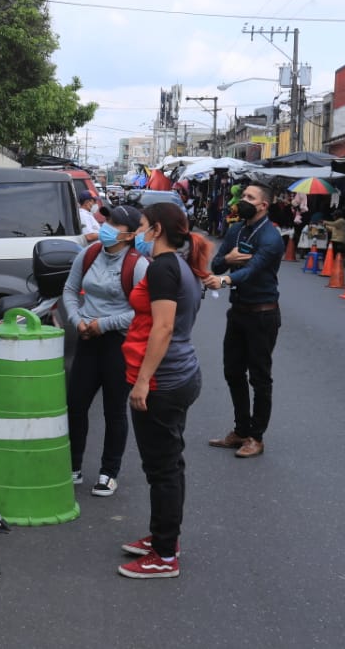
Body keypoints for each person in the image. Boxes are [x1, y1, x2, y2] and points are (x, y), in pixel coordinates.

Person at [117, 202, 212, 580]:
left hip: (163, 381)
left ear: (155, 230)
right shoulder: (182, 267)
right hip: (178, 374)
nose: (136, 232)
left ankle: (164, 554)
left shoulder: (163, 268)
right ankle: (162, 537)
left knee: (162, 468)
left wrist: (142, 381)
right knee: (168, 463)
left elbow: (164, 328)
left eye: (140, 226)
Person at [61, 205, 149, 498]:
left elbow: (142, 313)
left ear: (131, 234)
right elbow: (70, 291)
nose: (106, 226)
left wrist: (104, 324)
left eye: (114, 223)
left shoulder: (138, 265)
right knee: (75, 405)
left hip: (118, 345)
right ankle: (72, 465)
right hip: (87, 338)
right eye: (107, 220)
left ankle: (109, 472)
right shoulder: (88, 254)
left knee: (114, 411)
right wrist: (78, 321)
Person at [205, 184, 285, 459]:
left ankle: (256, 437)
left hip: (263, 314)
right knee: (233, 372)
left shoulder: (272, 238)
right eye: (244, 196)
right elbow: (216, 264)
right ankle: (240, 430)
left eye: (250, 198)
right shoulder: (235, 230)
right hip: (237, 311)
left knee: (260, 378)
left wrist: (226, 278)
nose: (243, 201)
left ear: (263, 205)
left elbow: (251, 271)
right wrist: (226, 260)